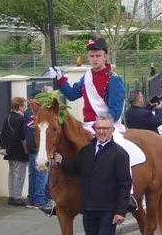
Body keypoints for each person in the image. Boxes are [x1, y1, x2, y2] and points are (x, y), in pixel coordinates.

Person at [47, 38, 135, 214]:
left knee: (122, 150)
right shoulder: (86, 76)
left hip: (109, 125)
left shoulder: (114, 79)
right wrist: (60, 79)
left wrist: (101, 127)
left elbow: (115, 110)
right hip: (87, 124)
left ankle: (129, 196)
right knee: (63, 145)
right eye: (91, 56)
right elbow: (72, 95)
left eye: (98, 55)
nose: (94, 59)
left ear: (105, 56)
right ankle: (56, 195)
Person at [51, 113, 132, 235]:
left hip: (108, 211)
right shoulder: (86, 150)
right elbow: (76, 168)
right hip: (89, 210)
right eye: (99, 128)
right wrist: (62, 161)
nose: (101, 132)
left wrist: (121, 211)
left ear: (112, 130)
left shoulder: (119, 154)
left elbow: (125, 183)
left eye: (105, 128)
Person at [0, 97, 29, 207]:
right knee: (19, 175)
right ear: (20, 106)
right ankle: (17, 198)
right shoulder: (20, 119)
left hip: (9, 152)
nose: (25, 108)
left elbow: (3, 134)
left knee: (11, 174)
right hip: (18, 151)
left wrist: (4, 148)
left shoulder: (8, 117)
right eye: (24, 106)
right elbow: (17, 135)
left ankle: (11, 196)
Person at [25, 90, 49, 208]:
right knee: (41, 175)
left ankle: (31, 199)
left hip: (31, 148)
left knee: (33, 175)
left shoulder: (27, 113)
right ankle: (39, 200)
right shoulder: (37, 113)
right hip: (38, 148)